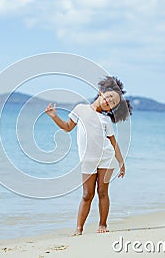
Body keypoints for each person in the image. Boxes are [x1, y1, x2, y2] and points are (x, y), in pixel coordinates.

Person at [45, 76, 132, 235]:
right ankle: (79, 228)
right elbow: (67, 127)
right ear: (101, 93)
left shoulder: (106, 120)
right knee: (87, 195)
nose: (108, 102)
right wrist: (54, 116)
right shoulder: (80, 109)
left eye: (112, 104)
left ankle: (103, 224)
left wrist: (121, 162)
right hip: (88, 160)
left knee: (103, 192)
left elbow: (113, 143)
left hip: (106, 159)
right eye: (109, 98)